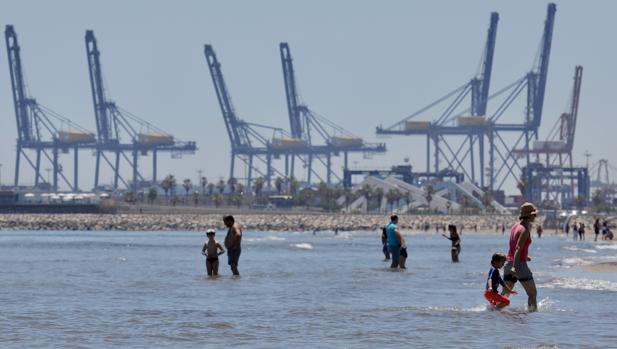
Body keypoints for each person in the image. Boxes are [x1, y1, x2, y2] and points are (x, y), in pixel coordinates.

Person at [503, 202, 539, 312]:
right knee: (532, 294)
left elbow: (513, 246)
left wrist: (524, 256)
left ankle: (494, 314)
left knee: (504, 295)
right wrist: (515, 266)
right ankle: (533, 316)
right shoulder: (525, 230)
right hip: (518, 266)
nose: (535, 217)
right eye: (534, 215)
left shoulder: (515, 226)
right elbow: (518, 247)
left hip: (508, 264)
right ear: (529, 215)